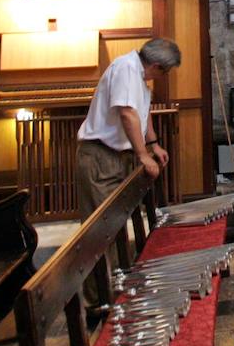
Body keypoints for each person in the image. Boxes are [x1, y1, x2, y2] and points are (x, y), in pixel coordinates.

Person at [76, 37, 181, 304]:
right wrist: (143, 155)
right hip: (100, 156)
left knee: (115, 227)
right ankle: (97, 301)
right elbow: (126, 114)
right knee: (99, 232)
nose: (164, 77)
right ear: (157, 65)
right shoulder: (125, 68)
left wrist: (153, 143)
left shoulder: (138, 75)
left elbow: (141, 113)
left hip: (117, 157)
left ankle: (114, 288)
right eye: (165, 72)